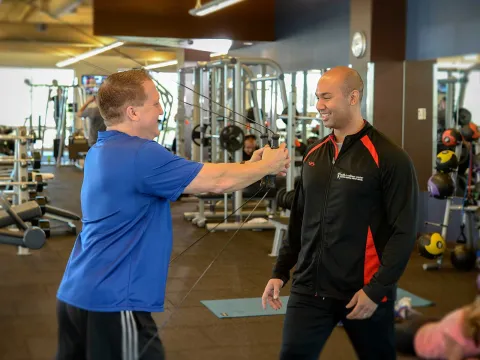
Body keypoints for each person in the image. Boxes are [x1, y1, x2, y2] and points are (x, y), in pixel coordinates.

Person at [55, 69, 290, 360]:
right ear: (132, 112)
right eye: (154, 103)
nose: (161, 109)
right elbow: (218, 182)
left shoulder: (102, 150)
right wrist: (267, 166)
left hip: (76, 295)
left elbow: (205, 176)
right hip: (114, 302)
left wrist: (249, 166)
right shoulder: (141, 154)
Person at [261, 66, 419, 360]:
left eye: (326, 97)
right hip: (309, 289)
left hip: (362, 292)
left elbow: (404, 230)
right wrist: (281, 272)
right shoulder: (314, 154)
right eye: (317, 98)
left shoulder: (389, 157)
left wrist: (377, 290)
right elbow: (299, 220)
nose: (318, 105)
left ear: (353, 97)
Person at [396, 297, 480, 359]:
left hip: (434, 325)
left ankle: (405, 311)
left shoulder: (471, 314)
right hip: (416, 338)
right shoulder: (456, 337)